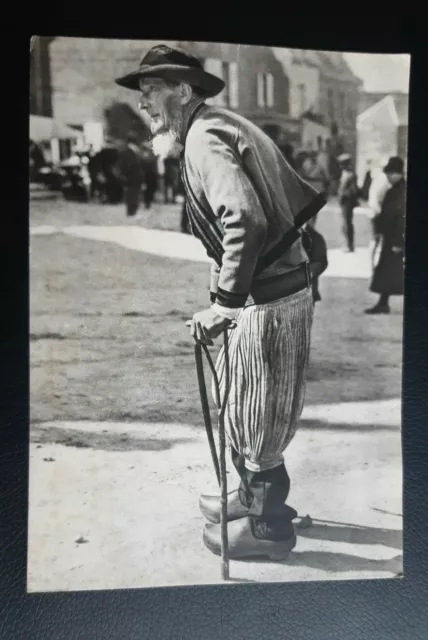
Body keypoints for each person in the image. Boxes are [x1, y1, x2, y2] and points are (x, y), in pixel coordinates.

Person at [115, 44, 326, 560]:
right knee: (243, 403)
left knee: (258, 413)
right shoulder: (212, 125)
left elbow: (245, 219)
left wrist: (224, 304)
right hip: (272, 288)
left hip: (269, 297)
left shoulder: (204, 137)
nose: (143, 105)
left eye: (151, 93)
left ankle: (268, 528)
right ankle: (249, 498)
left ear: (183, 92)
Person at [365, 157, 406, 314]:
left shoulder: (401, 191)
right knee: (387, 271)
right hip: (391, 237)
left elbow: (402, 218)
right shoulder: (395, 189)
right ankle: (383, 303)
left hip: (396, 238)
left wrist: (398, 242)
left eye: (390, 173)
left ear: (397, 173)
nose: (388, 177)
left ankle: (384, 303)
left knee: (393, 271)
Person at [117, 132, 146, 217]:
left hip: (132, 175)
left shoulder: (126, 151)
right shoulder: (134, 150)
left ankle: (132, 210)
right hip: (133, 175)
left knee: (133, 193)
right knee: (133, 194)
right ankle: (132, 211)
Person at [337, 153, 359, 252]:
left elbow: (353, 190)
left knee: (347, 223)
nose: (340, 166)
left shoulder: (351, 174)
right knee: (345, 223)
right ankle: (347, 244)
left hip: (348, 202)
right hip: (344, 201)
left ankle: (350, 245)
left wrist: (344, 194)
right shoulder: (345, 173)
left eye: (342, 164)